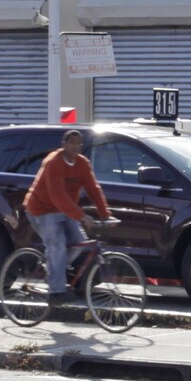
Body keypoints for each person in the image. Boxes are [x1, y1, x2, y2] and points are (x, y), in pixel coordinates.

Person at [23, 129, 115, 304]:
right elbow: (57, 196)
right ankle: (56, 292)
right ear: (63, 144)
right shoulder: (53, 163)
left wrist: (106, 215)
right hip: (41, 210)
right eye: (71, 143)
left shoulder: (82, 163)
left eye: (78, 143)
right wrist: (81, 216)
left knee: (79, 242)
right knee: (57, 244)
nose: (75, 147)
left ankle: (53, 270)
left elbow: (93, 189)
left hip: (65, 210)